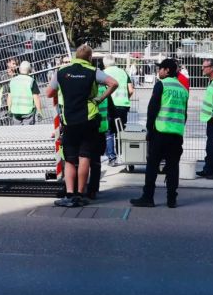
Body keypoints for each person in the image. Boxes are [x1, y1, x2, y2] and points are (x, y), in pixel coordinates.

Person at [46, 45, 117, 208]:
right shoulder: (93, 71)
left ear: (75, 56)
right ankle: (80, 194)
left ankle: (69, 194)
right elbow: (113, 83)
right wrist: (99, 98)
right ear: (90, 58)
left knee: (70, 159)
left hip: (70, 120)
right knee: (85, 157)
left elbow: (49, 92)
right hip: (89, 119)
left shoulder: (62, 72)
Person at [130, 58, 189, 208]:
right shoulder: (183, 89)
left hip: (160, 132)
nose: (158, 71)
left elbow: (152, 109)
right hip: (176, 134)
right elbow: (185, 114)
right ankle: (171, 199)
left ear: (167, 70)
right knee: (173, 167)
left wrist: (149, 130)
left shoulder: (161, 85)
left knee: (152, 165)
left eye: (160, 68)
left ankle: (148, 197)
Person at [103, 56, 134, 167]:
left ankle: (112, 158)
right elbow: (131, 90)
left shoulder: (103, 73)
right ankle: (125, 156)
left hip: (109, 106)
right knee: (121, 131)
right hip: (123, 106)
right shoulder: (123, 72)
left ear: (105, 64)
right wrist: (125, 98)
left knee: (109, 132)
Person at [7, 61, 43, 125]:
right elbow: (36, 98)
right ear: (29, 70)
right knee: (28, 132)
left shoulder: (13, 80)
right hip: (28, 111)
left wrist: (9, 109)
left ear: (20, 69)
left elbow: (9, 97)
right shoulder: (31, 81)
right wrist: (39, 111)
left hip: (15, 111)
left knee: (17, 133)